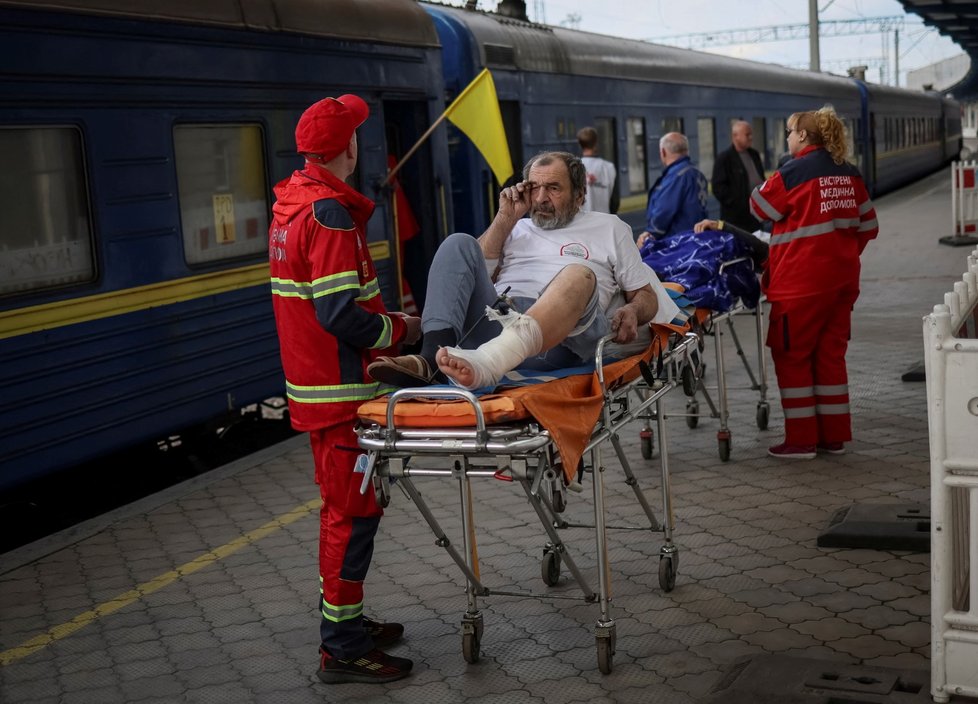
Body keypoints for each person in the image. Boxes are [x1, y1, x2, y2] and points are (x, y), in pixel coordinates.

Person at [268, 94, 421, 684]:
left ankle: (349, 622)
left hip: (317, 391)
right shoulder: (328, 214)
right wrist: (400, 331)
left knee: (348, 511)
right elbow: (338, 314)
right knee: (351, 517)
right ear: (345, 147)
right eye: (357, 133)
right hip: (340, 395)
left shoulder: (291, 204)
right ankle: (343, 645)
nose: (361, 142)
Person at [367, 151, 680, 391]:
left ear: (580, 195)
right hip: (498, 320)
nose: (541, 198)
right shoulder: (514, 227)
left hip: (564, 338)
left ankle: (490, 362)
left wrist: (633, 309)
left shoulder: (609, 226)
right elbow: (478, 277)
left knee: (579, 273)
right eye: (535, 188)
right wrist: (506, 219)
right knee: (458, 243)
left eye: (554, 188)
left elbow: (645, 295)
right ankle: (429, 359)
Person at [749, 106, 878, 459]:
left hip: (799, 286)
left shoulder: (793, 172)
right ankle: (833, 437)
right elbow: (869, 226)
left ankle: (801, 440)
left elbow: (758, 207)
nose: (788, 137)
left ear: (803, 136)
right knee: (830, 357)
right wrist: (840, 253)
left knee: (792, 356)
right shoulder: (849, 173)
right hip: (840, 283)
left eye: (790, 132)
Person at [637, 132, 708, 246]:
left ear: (663, 152)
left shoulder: (676, 177)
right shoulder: (698, 174)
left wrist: (650, 233)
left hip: (676, 244)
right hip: (696, 240)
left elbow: (663, 212)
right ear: (686, 150)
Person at [711, 120, 765, 232]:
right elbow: (718, 187)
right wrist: (736, 203)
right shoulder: (725, 158)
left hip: (756, 214)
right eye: (747, 134)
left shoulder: (754, 154)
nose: (750, 137)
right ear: (735, 136)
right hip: (736, 218)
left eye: (751, 134)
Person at [577, 126, 619, 214]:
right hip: (604, 220)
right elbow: (615, 201)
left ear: (580, 144)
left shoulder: (575, 167)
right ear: (596, 142)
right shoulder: (609, 167)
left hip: (582, 221)